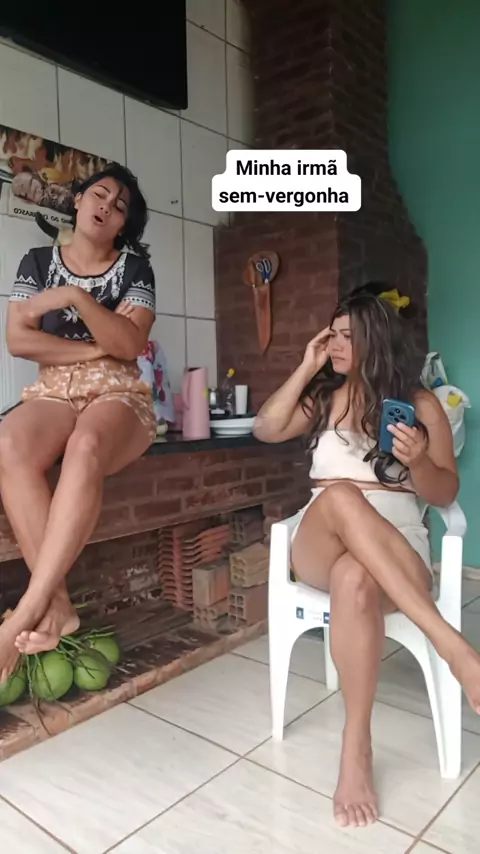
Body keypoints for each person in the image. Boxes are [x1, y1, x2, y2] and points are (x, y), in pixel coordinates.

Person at [254, 284, 480, 829]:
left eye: (347, 336)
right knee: (339, 497)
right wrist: (307, 366)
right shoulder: (322, 398)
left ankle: (356, 747)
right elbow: (265, 427)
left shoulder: (421, 405)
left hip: (396, 548)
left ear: (377, 340)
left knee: (356, 577)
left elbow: (444, 494)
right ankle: (452, 646)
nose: (334, 344)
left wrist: (419, 461)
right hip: (319, 540)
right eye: (331, 334)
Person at [0, 164, 157, 683]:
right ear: (77, 200)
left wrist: (74, 297)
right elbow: (19, 341)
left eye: (119, 206)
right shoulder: (36, 262)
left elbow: (129, 346)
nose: (106, 206)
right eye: (99, 194)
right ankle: (60, 606)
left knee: (86, 444)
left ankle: (28, 609)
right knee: (7, 443)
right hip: (53, 390)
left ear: (124, 225)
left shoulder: (135, 270)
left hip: (118, 392)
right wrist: (95, 346)